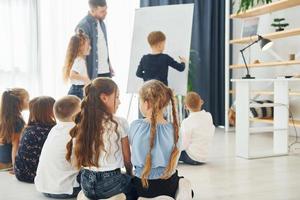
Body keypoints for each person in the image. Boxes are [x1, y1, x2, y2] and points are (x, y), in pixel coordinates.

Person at [66, 78, 134, 199]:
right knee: (135, 188)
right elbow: (127, 159)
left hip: (86, 183)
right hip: (111, 182)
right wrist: (130, 174)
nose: (120, 102)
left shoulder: (83, 122)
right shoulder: (120, 122)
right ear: (104, 98)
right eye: (117, 97)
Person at [129, 80, 192, 199]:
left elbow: (133, 151)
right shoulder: (175, 130)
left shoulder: (135, 126)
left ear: (147, 104)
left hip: (142, 186)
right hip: (168, 186)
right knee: (182, 182)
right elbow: (175, 161)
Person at [35, 95, 82, 199]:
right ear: (78, 114)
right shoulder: (78, 133)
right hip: (64, 190)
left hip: (43, 187)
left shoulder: (54, 129)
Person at [14, 96, 56, 183]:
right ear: (49, 111)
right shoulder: (50, 130)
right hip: (34, 175)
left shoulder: (29, 128)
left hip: (20, 172)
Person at [76, 0, 114, 79]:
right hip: (93, 74)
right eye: (102, 11)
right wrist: (85, 77)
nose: (106, 13)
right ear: (93, 11)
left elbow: (102, 47)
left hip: (105, 71)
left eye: (106, 9)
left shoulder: (102, 23)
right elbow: (80, 53)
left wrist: (108, 64)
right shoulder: (83, 26)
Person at [180, 92, 215, 165]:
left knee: (170, 153)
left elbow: (184, 144)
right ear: (201, 102)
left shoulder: (186, 122)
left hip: (192, 157)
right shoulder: (208, 116)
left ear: (186, 107)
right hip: (204, 157)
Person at [0, 88, 29, 170]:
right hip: (7, 164)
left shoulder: (5, 118)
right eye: (27, 99)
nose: (29, 102)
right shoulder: (16, 121)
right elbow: (15, 146)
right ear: (18, 103)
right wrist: (16, 167)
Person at [63, 31, 91, 99]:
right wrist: (86, 79)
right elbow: (72, 74)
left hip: (76, 89)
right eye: (88, 45)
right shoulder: (79, 61)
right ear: (80, 47)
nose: (90, 47)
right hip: (78, 91)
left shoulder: (78, 60)